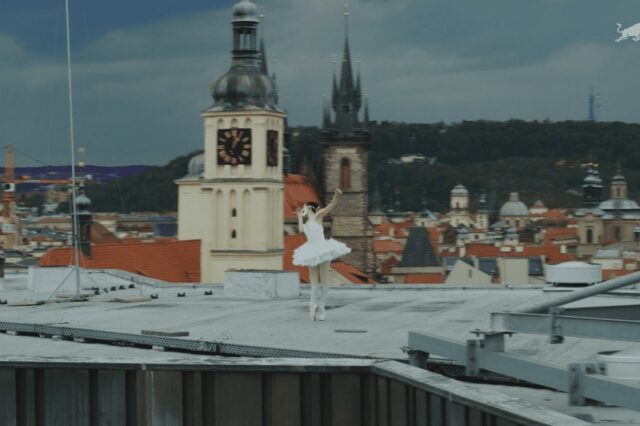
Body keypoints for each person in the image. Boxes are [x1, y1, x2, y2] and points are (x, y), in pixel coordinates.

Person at [294, 188, 351, 321]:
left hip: (316, 250)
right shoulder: (312, 220)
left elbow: (331, 206)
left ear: (309, 209)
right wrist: (299, 217)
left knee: (319, 281)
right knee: (320, 281)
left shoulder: (314, 218)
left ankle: (316, 305)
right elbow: (301, 228)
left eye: (305, 209)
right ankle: (318, 306)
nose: (304, 211)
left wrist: (337, 195)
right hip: (317, 250)